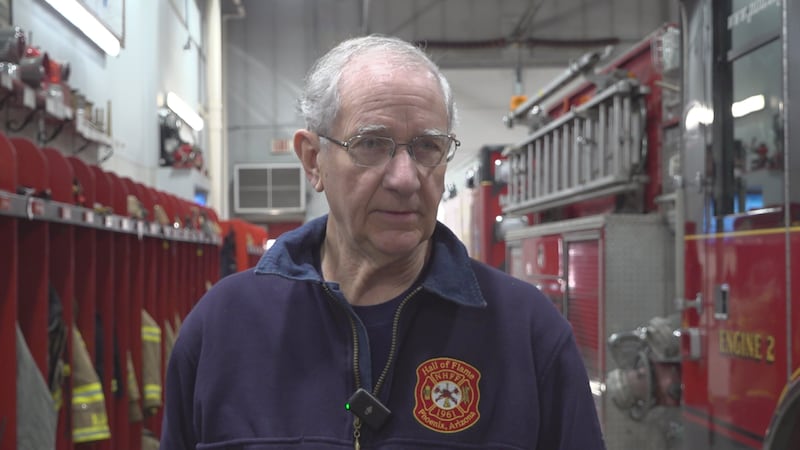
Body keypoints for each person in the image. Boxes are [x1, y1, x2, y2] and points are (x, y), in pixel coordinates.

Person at [160, 34, 606, 450]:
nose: (406, 178)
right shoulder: (222, 328)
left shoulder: (528, 334)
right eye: (371, 143)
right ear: (314, 160)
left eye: (428, 146)